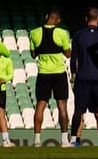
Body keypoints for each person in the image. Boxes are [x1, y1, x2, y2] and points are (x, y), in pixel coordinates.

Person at [68, 7, 98, 147]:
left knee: (79, 110)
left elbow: (73, 58)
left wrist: (73, 74)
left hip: (83, 77)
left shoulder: (78, 35)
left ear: (86, 19)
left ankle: (75, 140)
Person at [29, 10, 73, 148]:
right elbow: (68, 54)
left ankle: (37, 140)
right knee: (62, 106)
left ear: (46, 17)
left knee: (40, 105)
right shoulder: (62, 33)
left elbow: (32, 54)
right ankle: (64, 140)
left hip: (43, 73)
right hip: (59, 73)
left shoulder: (34, 32)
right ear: (58, 21)